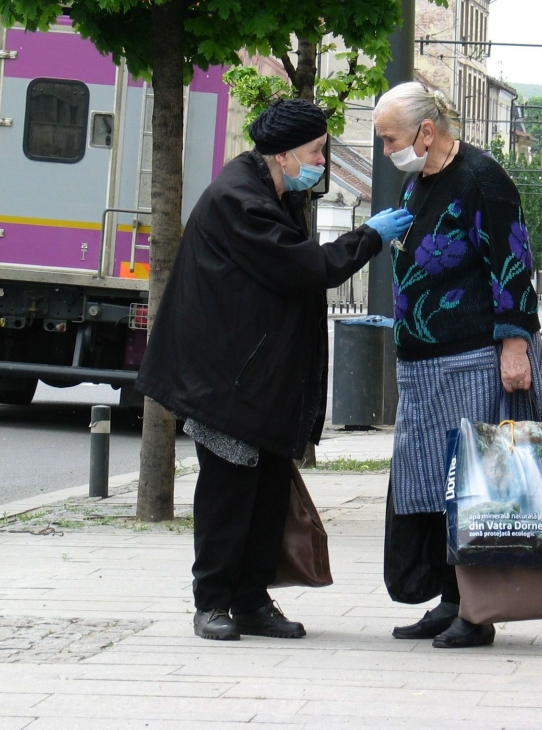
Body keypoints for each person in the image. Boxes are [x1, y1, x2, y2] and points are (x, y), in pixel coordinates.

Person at [136, 99, 413, 642]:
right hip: (226, 376)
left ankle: (251, 600)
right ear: (283, 155)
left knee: (264, 492)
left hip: (254, 374)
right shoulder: (240, 201)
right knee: (229, 491)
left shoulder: (275, 191)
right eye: (315, 152)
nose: (321, 162)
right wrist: (371, 236)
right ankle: (212, 601)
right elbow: (306, 267)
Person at [373, 82, 542, 649]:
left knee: (477, 484)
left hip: (474, 356)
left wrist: (515, 345)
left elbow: (512, 261)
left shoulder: (482, 177)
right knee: (430, 483)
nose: (386, 150)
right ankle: (451, 600)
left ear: (427, 132)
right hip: (424, 361)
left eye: (390, 138)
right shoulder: (418, 180)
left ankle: (478, 612)